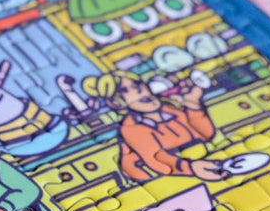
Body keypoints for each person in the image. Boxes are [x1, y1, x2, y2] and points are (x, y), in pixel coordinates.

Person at [80, 71, 225, 183]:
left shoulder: (171, 109)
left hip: (200, 164)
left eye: (137, 85)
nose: (138, 91)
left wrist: (193, 104)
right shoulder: (130, 128)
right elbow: (157, 158)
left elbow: (207, 134)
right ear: (116, 103)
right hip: (162, 181)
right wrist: (190, 167)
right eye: (125, 90)